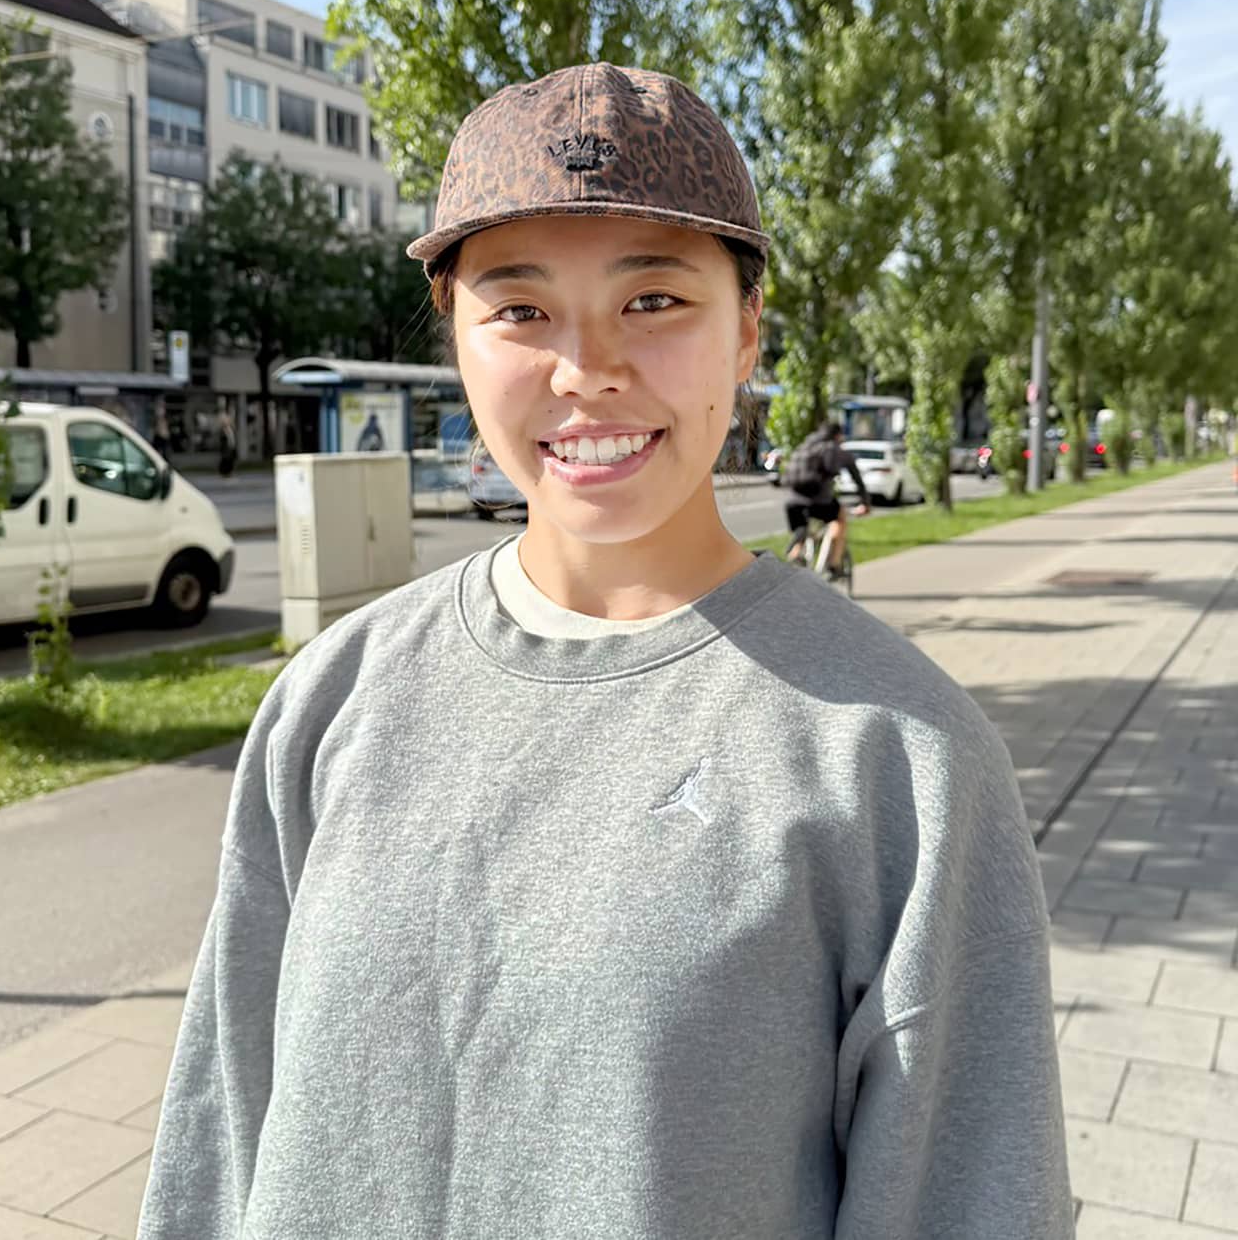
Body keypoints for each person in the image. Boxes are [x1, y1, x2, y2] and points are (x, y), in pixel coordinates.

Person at [138, 64, 1073, 1240]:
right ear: (456, 336)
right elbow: (223, 1132)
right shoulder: (333, 698)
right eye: (520, 311)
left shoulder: (900, 761)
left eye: (653, 300)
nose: (585, 370)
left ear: (746, 332)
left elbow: (966, 1202)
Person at [782, 419, 871, 573]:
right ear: (838, 435)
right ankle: (834, 565)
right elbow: (858, 480)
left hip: (792, 502)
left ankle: (796, 554)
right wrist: (865, 503)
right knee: (840, 518)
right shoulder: (836, 450)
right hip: (819, 502)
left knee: (802, 531)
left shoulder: (804, 447)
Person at [217, 403, 237, 478]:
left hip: (231, 447)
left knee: (230, 460)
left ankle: (228, 472)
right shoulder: (223, 431)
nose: (229, 421)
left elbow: (232, 439)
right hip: (226, 449)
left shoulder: (230, 430)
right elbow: (222, 440)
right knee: (225, 460)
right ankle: (225, 473)